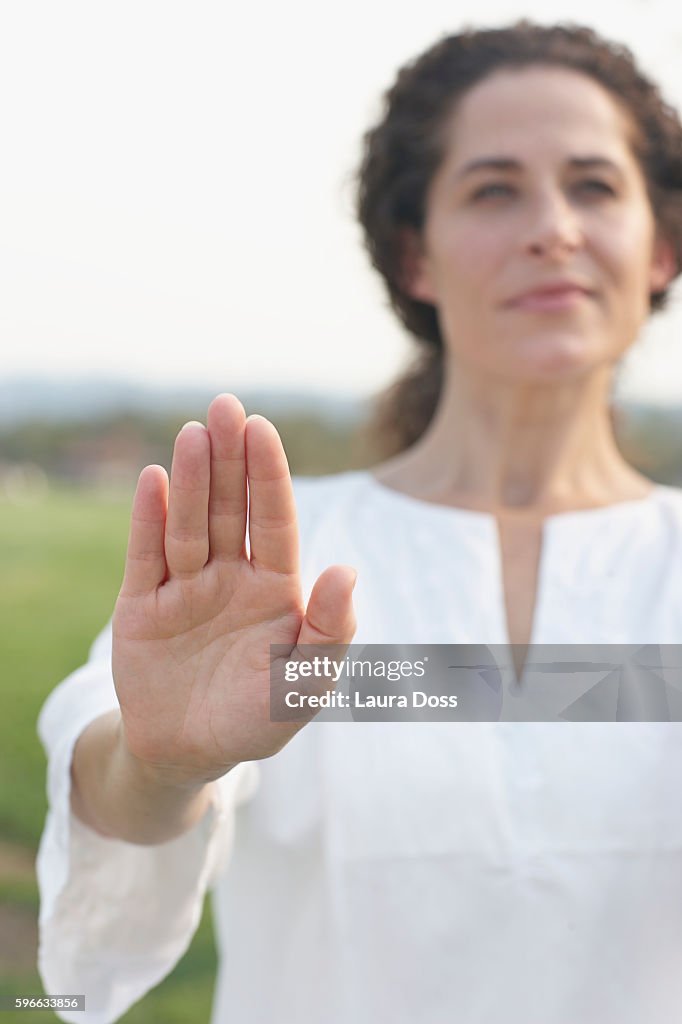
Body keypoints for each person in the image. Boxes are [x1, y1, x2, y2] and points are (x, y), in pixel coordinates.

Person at [37, 20, 682, 1024]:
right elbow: (114, 781)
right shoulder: (279, 558)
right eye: (494, 187)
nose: (553, 226)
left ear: (662, 246)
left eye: (595, 185)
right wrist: (162, 762)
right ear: (413, 255)